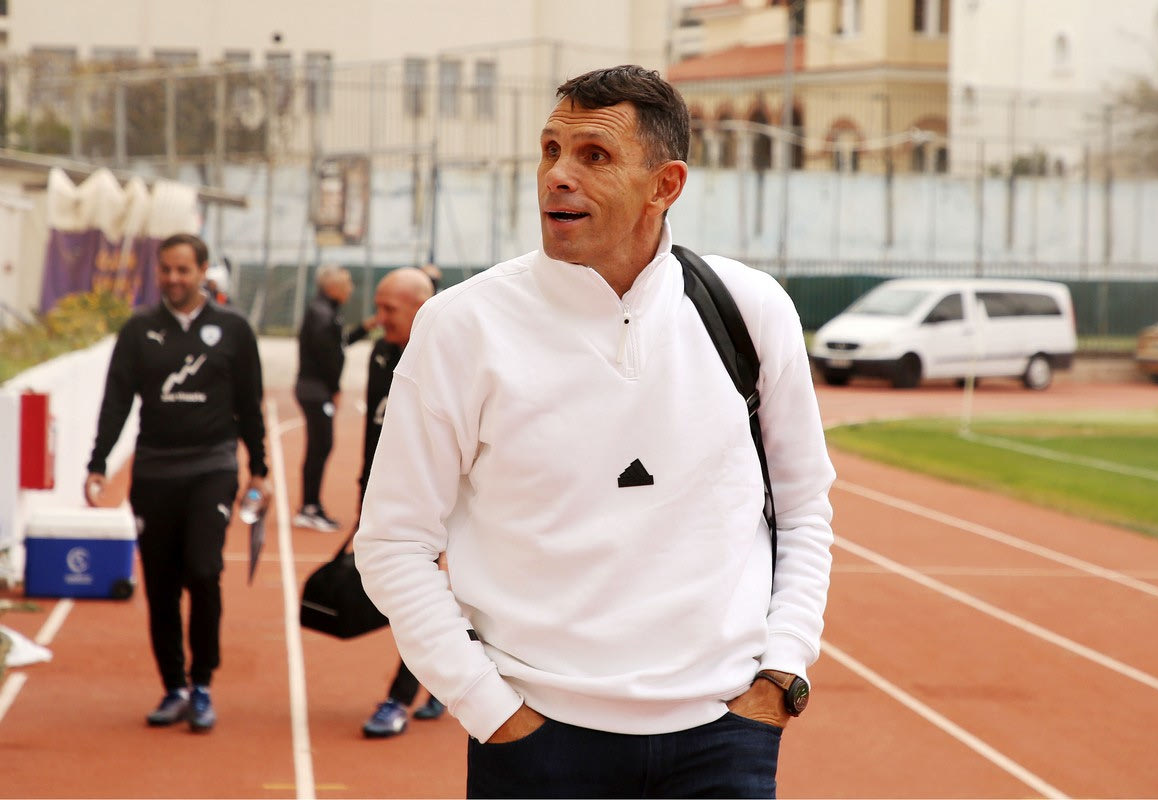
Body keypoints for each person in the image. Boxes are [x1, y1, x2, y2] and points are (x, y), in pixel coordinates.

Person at [355, 64, 835, 798]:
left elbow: (802, 509)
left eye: (594, 155)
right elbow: (393, 541)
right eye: (550, 150)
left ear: (665, 185)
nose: (558, 175)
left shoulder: (750, 308)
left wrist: (781, 673)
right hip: (535, 746)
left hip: (723, 742)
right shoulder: (461, 325)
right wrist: (490, 710)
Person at [85, 232, 271, 734]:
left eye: (183, 270)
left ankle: (202, 682)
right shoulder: (139, 329)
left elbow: (250, 403)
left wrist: (260, 469)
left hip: (212, 467)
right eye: (165, 269)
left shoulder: (233, 329)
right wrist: (98, 462)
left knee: (204, 571)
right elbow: (116, 400)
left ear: (203, 271)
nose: (173, 278)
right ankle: (174, 687)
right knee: (161, 585)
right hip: (153, 471)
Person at [348, 267, 446, 738]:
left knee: (420, 597)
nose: (379, 317)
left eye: (389, 309)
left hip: (441, 495)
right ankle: (446, 676)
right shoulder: (381, 353)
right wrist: (364, 494)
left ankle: (399, 698)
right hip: (393, 493)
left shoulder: (448, 351)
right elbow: (374, 427)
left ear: (419, 307)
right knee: (409, 595)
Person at [293, 264, 354, 532]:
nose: (350, 288)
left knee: (320, 446)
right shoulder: (321, 313)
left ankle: (310, 505)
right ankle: (309, 507)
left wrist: (365, 328)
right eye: (346, 282)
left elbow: (338, 345)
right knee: (320, 446)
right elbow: (326, 356)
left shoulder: (326, 311)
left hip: (315, 388)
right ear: (332, 286)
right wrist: (335, 388)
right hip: (315, 390)